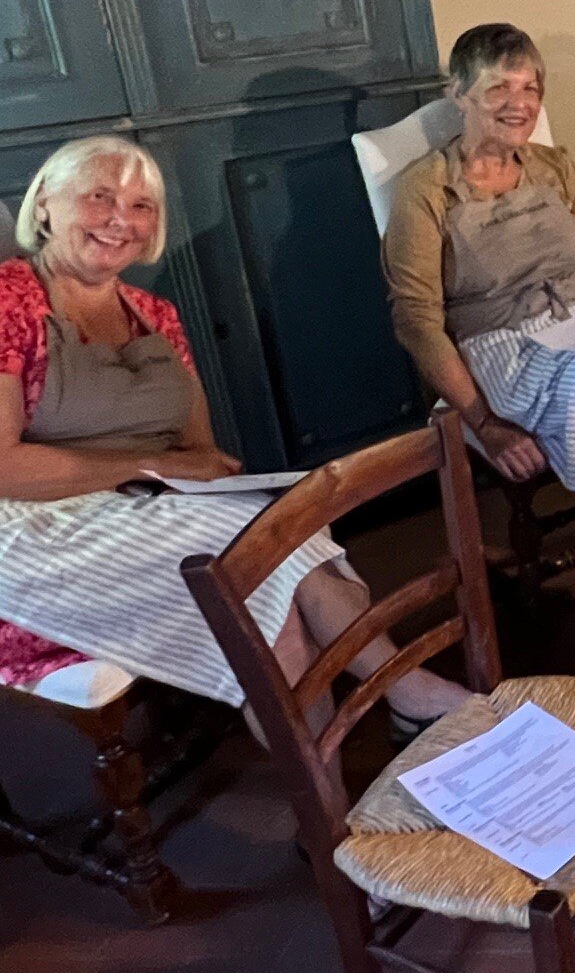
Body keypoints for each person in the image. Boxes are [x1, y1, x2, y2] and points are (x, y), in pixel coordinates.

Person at [0, 137, 468, 726]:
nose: (122, 220)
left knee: (280, 538)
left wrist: (190, 473)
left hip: (144, 506)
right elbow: (5, 469)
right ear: (44, 203)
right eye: (100, 197)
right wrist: (148, 467)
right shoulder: (8, 300)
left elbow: (197, 449)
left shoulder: (156, 314)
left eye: (142, 206)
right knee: (256, 570)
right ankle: (398, 699)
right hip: (35, 529)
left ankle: (350, 759)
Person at [381, 24, 575, 668]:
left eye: (531, 87)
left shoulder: (554, 168)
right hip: (510, 354)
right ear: (458, 93)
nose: (520, 101)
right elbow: (416, 318)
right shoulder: (428, 190)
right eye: (500, 85)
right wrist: (484, 423)